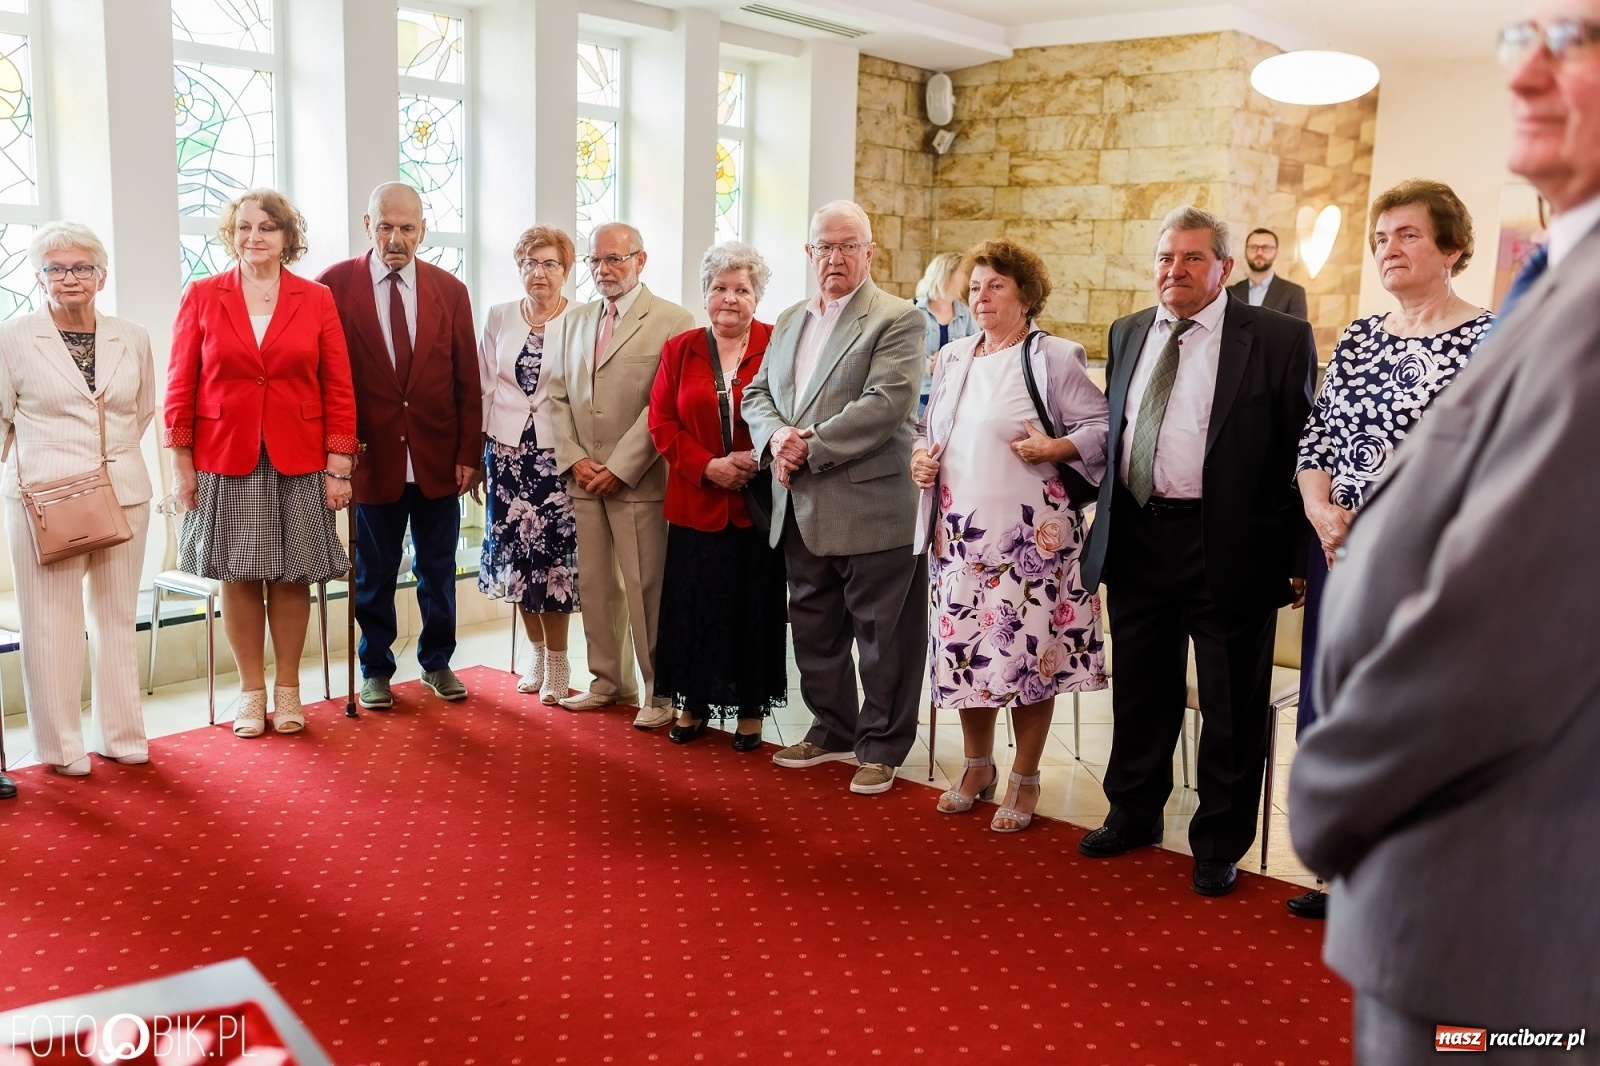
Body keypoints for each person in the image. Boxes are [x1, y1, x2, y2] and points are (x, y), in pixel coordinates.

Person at [1290, 4, 1600, 1057]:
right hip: (1447, 849)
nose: (1524, 76)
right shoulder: (1553, 282)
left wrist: (1328, 794)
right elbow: (1324, 434)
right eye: (1522, 43)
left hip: (1490, 876)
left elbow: (1501, 631)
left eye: (1582, 42)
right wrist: (1324, 510)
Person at [1076, 205, 1314, 897]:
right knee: (1143, 689)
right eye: (1164, 257)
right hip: (1141, 535)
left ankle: (1218, 841)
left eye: (1190, 259)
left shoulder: (1277, 337)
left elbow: (1304, 449)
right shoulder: (1128, 332)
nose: (1173, 271)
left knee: (1232, 703)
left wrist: (1298, 553)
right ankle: (1133, 813)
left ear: (1224, 269)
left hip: (1232, 542)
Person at [1286, 180, 1492, 922]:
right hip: (1340, 557)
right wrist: (1318, 508)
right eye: (1381, 239)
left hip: (1432, 568)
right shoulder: (1362, 337)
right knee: (1336, 709)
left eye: (1406, 235)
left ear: (1452, 249)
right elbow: (1317, 441)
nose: (1389, 249)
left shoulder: (1490, 341)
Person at [910, 239, 1108, 830]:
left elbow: (1101, 425)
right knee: (967, 656)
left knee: (1030, 661)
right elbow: (928, 428)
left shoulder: (1054, 356)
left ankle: (1025, 774)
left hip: (1033, 544)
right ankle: (977, 767)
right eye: (974, 286)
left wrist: (1055, 447)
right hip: (960, 538)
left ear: (1026, 296)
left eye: (995, 285)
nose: (981, 296)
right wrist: (922, 458)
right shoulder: (951, 358)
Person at [742, 200, 927, 796]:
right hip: (800, 503)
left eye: (849, 246)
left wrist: (807, 446)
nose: (836, 257)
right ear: (809, 253)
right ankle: (834, 728)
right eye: (826, 246)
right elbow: (757, 393)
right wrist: (776, 438)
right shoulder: (792, 318)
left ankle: (882, 744)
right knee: (815, 629)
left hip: (871, 504)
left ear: (870, 254)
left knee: (883, 636)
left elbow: (884, 404)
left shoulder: (898, 318)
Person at [166, 189, 358, 739]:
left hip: (299, 456)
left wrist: (338, 464)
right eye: (245, 227)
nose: (255, 237)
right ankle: (251, 692)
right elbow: (180, 385)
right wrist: (182, 466)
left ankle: (289, 689)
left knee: (292, 574)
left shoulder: (316, 298)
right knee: (240, 574)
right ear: (232, 234)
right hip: (225, 456)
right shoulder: (203, 294)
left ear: (286, 238)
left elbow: (338, 386)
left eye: (267, 227)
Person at [317, 183, 481, 709]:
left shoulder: (450, 291)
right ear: (368, 226)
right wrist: (333, 455)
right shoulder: (333, 287)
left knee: (438, 568)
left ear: (422, 231)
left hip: (437, 457)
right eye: (385, 226)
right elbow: (323, 377)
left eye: (407, 228)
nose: (396, 238)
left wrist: (467, 455)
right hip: (371, 456)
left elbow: (467, 380)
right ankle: (376, 669)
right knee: (374, 573)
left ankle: (437, 662)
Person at [0, 222, 155, 775]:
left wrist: (103, 459)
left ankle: (121, 734)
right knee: (50, 624)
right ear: (40, 277)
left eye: (82, 267)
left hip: (124, 491)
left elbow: (140, 412)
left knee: (116, 618)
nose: (71, 278)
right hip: (45, 498)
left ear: (101, 275)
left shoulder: (132, 336)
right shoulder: (14, 337)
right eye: (57, 268)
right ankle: (61, 747)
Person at [546, 223, 695, 726]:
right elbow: (556, 396)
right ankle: (608, 681)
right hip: (583, 477)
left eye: (615, 259)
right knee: (595, 586)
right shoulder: (573, 320)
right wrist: (575, 459)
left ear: (641, 259)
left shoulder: (674, 321)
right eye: (595, 261)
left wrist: (620, 467)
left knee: (644, 586)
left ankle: (660, 691)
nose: (603, 270)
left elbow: (665, 403)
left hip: (640, 480)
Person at [648, 242, 787, 750]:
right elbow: (661, 422)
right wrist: (707, 466)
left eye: (742, 290)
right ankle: (692, 704)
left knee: (752, 608)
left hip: (758, 504)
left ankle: (750, 709)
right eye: (720, 289)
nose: (730, 299)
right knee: (694, 608)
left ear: (757, 296)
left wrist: (753, 461)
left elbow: (793, 413)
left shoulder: (779, 343)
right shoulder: (680, 348)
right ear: (705, 294)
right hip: (695, 502)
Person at [477, 226, 581, 704]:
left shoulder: (582, 318)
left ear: (566, 270)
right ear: (519, 268)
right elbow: (483, 387)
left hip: (555, 459)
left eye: (550, 264)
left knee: (552, 565)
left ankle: (560, 662)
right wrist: (478, 458)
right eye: (531, 263)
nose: (540, 273)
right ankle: (537, 655)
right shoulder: (499, 316)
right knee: (517, 562)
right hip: (506, 456)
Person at [912, 252, 976, 414]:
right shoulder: (910, 312)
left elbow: (979, 352)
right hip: (918, 399)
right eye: (964, 273)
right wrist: (930, 367)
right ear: (945, 274)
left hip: (955, 398)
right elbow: (896, 359)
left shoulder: (968, 314)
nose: (969, 279)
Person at [1227, 228, 1309, 319]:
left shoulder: (1294, 293)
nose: (1259, 252)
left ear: (1276, 253)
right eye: (1253, 247)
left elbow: (1296, 332)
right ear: (1245, 252)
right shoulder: (1230, 292)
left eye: (1266, 248)